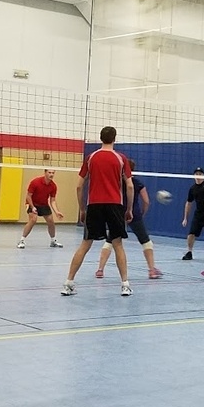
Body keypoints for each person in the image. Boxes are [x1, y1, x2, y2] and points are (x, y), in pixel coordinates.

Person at [62, 127, 133, 296]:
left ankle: (68, 283)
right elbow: (129, 186)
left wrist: (81, 208)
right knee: (117, 245)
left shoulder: (90, 157)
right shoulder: (121, 158)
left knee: (85, 244)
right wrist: (128, 209)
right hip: (115, 205)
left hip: (94, 205)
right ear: (115, 138)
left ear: (100, 138)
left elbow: (79, 186)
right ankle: (125, 285)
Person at [96, 159, 163, 280]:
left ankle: (100, 270)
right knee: (145, 241)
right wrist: (142, 213)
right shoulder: (137, 183)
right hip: (134, 215)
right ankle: (152, 270)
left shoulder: (114, 182)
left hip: (117, 214)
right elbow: (146, 201)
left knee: (110, 240)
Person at [19, 169, 64, 248]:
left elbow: (52, 201)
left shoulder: (53, 186)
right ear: (45, 173)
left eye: (53, 173)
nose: (51, 174)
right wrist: (32, 207)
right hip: (31, 203)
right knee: (33, 220)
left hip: (43, 204)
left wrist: (57, 212)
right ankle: (22, 240)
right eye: (49, 172)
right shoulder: (35, 182)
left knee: (51, 221)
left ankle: (53, 241)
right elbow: (28, 196)